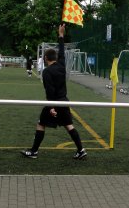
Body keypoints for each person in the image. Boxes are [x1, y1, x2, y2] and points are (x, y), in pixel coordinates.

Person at [21, 23, 87, 160]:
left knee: (41, 124)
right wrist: (61, 36)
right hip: (64, 101)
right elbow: (62, 52)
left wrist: (51, 107)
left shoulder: (47, 72)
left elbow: (50, 91)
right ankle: (81, 150)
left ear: (45, 59)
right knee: (69, 125)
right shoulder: (62, 65)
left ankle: (33, 151)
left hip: (55, 102)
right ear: (56, 58)